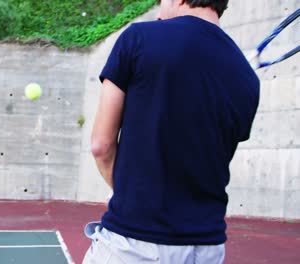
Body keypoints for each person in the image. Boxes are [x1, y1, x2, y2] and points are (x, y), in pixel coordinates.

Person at [84, 0, 260, 263]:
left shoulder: (139, 37)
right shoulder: (248, 78)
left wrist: (124, 191)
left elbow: (101, 145)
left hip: (135, 244)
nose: (159, 10)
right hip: (207, 248)